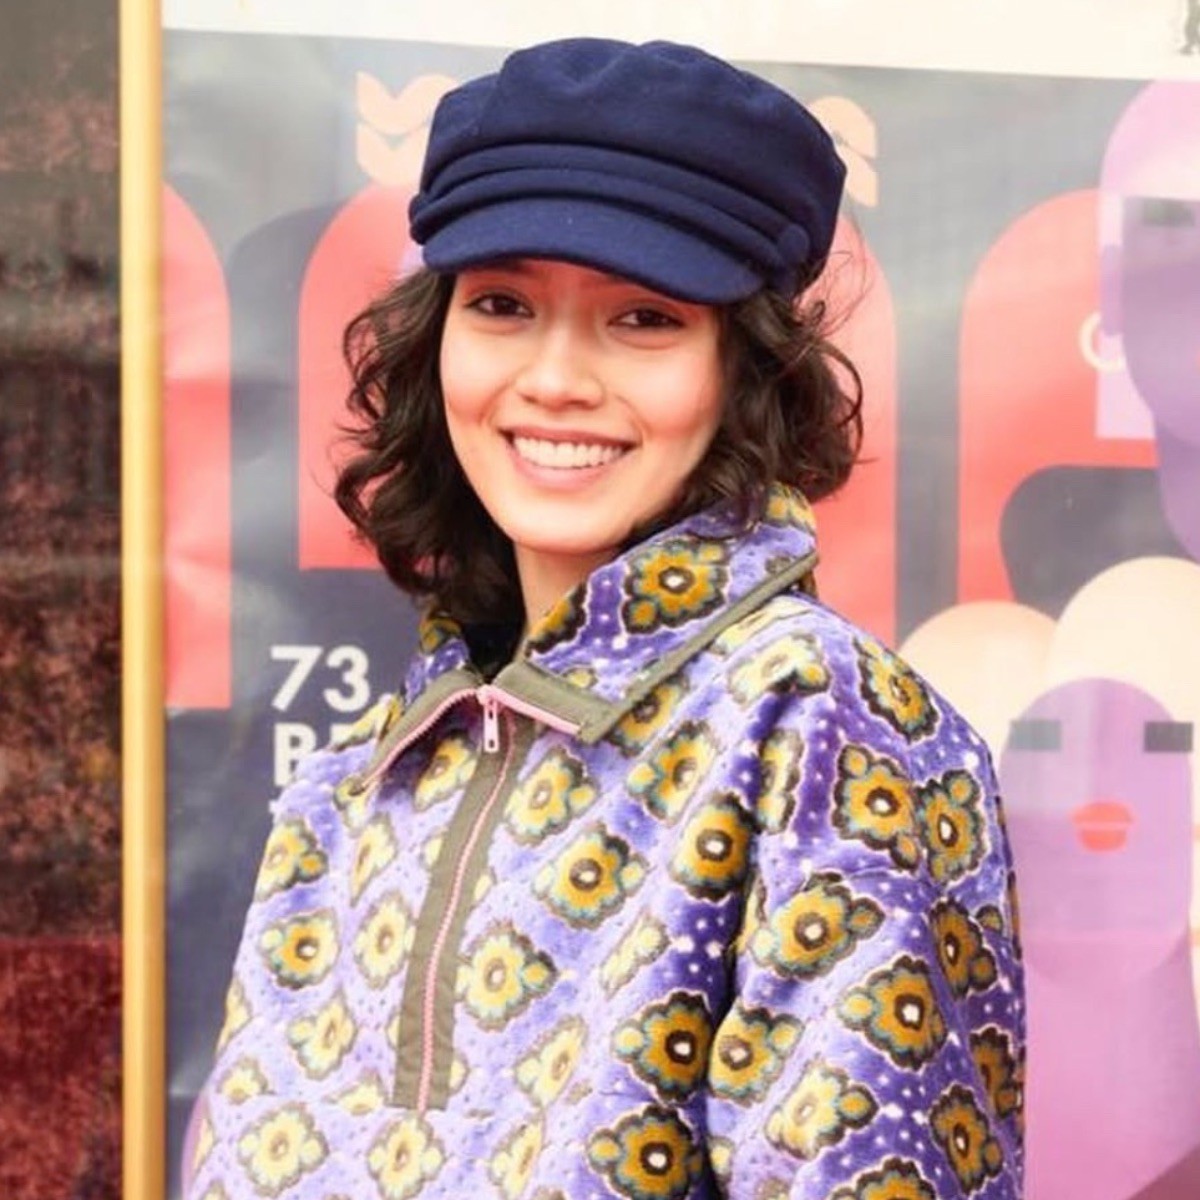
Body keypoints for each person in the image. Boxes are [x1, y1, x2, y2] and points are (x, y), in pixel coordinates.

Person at [184, 38, 1024, 1200]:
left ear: (746, 371)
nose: (557, 379)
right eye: (502, 304)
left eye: (643, 319)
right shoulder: (353, 784)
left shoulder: (817, 721)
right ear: (435, 340)